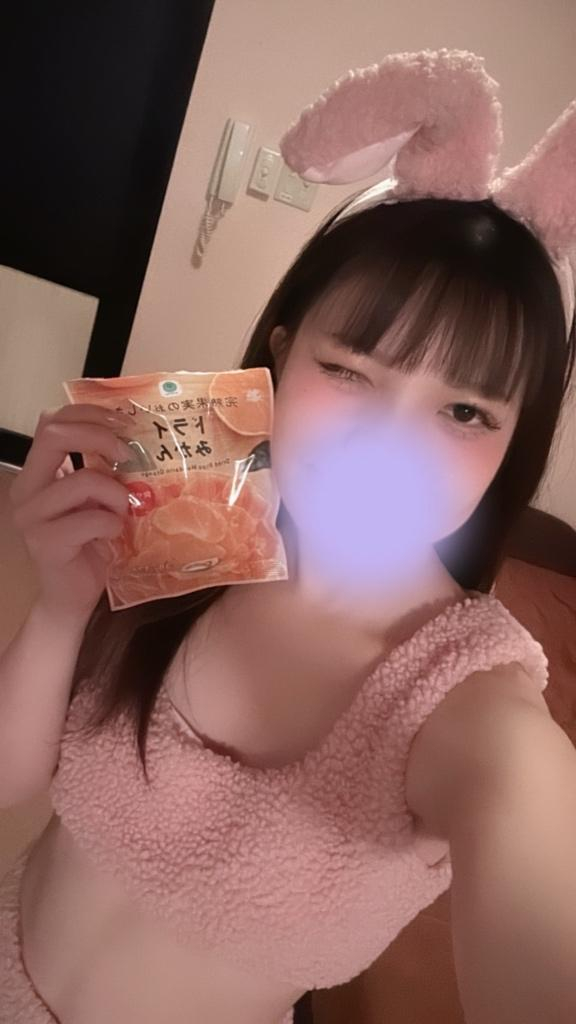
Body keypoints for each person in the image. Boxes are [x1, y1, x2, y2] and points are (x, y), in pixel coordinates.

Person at [1, 48, 575, 1024]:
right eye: (350, 370)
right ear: (282, 354)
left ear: (512, 445)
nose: (388, 444)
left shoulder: (471, 697)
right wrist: (59, 607)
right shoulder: (194, 503)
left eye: (465, 412)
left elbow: (526, 820)